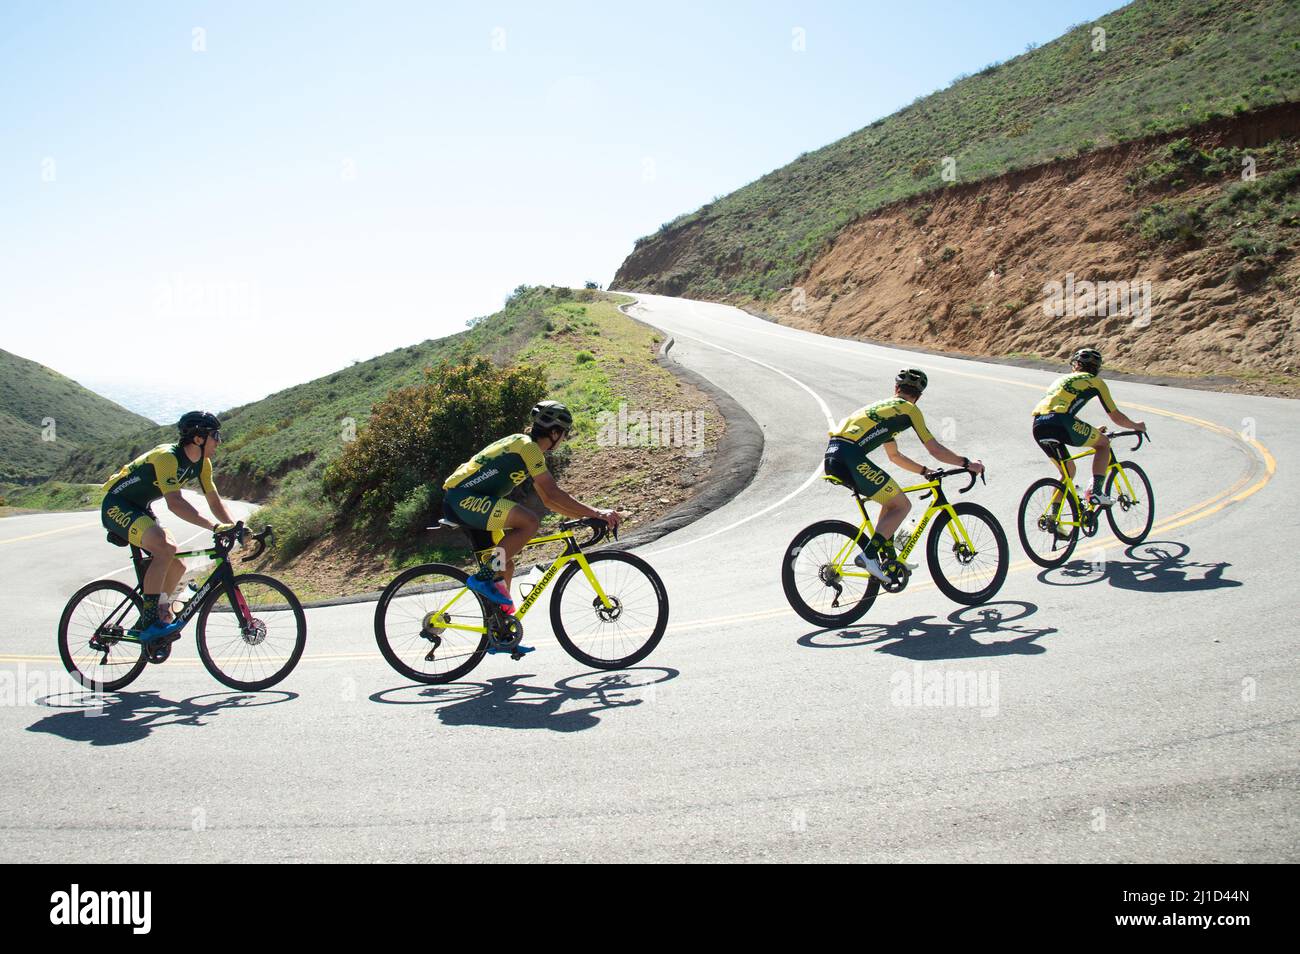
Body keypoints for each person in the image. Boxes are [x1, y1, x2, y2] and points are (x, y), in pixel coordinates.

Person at [441, 400, 621, 651]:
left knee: (506, 564)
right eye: (564, 434)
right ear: (555, 433)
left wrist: (587, 515)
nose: (564, 440)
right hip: (461, 498)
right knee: (529, 522)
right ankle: (482, 579)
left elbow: (549, 500)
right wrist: (597, 512)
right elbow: (553, 492)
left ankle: (501, 634)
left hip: (473, 501)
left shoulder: (525, 447)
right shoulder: (528, 448)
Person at [825, 369, 985, 583]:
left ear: (896, 389)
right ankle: (869, 555)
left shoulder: (884, 409)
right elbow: (935, 449)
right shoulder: (909, 410)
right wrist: (967, 463)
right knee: (902, 506)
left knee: (890, 502)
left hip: (834, 455)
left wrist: (924, 471)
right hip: (849, 456)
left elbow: (894, 456)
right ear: (919, 396)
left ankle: (890, 559)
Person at [100, 411, 239, 641]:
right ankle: (150, 619)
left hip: (140, 507)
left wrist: (235, 527)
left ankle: (158, 614)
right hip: (117, 505)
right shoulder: (167, 458)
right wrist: (214, 527)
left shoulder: (203, 464)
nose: (219, 441)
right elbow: (175, 503)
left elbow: (214, 501)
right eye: (215, 435)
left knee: (178, 564)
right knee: (164, 547)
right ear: (198, 438)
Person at [1031, 348, 1146, 509]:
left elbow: (1059, 410)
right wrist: (1137, 426)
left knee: (1068, 472)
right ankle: (1096, 492)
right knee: (1103, 443)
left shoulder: (1061, 380)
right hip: (1061, 422)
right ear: (1097, 368)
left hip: (1039, 424)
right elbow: (1116, 416)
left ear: (1076, 365)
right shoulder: (1096, 382)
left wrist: (1090, 429)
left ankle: (1053, 520)